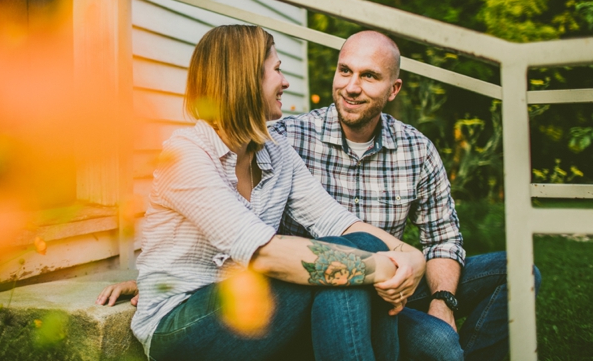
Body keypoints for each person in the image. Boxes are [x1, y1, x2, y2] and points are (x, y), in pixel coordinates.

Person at [96, 25, 426, 361]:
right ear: (246, 78)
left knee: (359, 251)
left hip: (250, 308)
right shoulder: (186, 155)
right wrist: (380, 267)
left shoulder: (276, 150)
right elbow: (263, 254)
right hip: (181, 325)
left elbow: (337, 221)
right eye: (278, 70)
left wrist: (409, 256)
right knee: (346, 264)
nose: (285, 82)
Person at [271, 30, 541, 361]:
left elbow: (442, 239)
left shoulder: (416, 149)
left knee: (518, 272)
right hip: (322, 292)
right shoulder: (289, 138)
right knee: (440, 346)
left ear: (393, 89)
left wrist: (442, 301)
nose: (352, 87)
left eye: (369, 76)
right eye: (345, 71)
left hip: (394, 290)